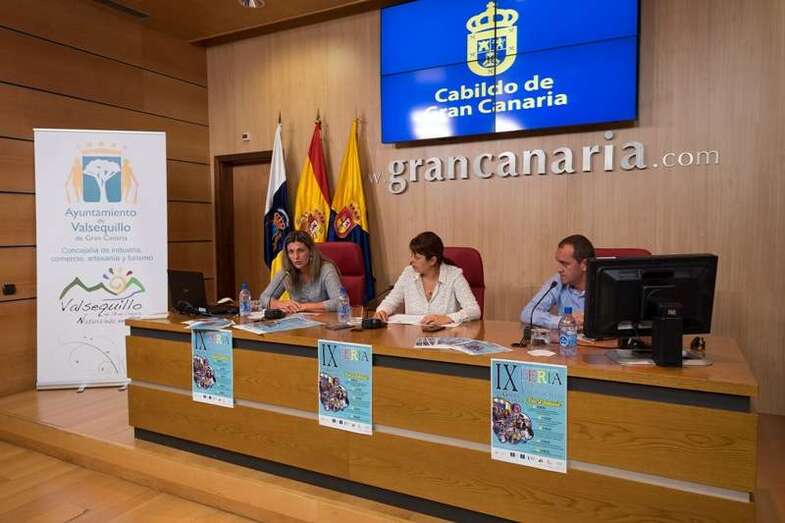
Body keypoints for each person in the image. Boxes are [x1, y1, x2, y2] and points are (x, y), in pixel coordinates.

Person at [374, 231, 481, 325]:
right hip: (412, 337)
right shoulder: (408, 273)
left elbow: (474, 310)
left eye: (417, 257)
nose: (411, 260)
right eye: (412, 255)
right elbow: (391, 301)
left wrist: (448, 318)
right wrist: (382, 311)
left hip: (445, 337)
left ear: (432, 260)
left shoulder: (453, 275)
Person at [520, 234, 595, 330]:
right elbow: (527, 313)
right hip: (567, 338)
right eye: (559, 262)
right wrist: (562, 321)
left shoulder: (604, 286)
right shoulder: (557, 281)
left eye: (565, 264)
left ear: (584, 265)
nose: (559, 269)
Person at [259, 230, 343, 313]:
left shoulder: (326, 269)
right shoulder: (286, 272)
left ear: (311, 251)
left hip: (325, 319)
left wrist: (302, 307)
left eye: (301, 250)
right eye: (291, 252)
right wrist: (280, 304)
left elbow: (340, 302)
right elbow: (263, 298)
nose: (296, 257)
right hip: (298, 319)